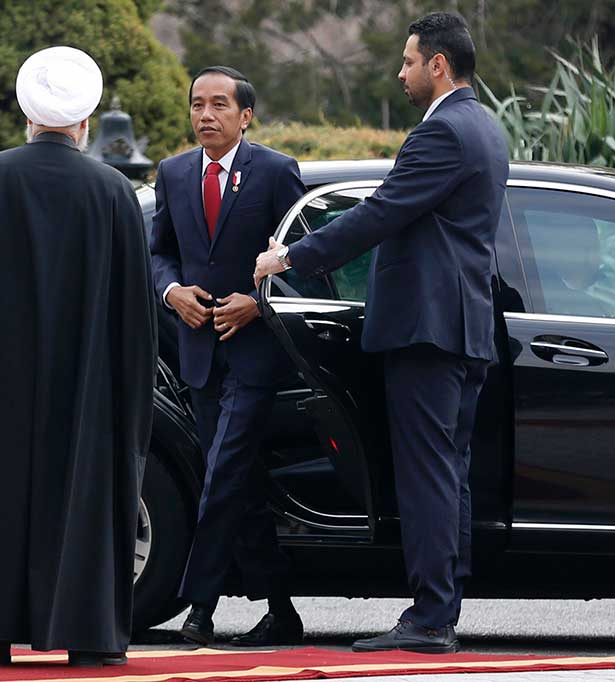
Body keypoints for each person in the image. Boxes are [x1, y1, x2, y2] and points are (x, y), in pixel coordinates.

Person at [254, 12, 509, 654]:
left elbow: (380, 212)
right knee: (447, 471)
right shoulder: (485, 126)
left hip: (427, 330)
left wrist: (290, 257)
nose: (401, 73)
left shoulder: (442, 132)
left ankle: (430, 617)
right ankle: (441, 607)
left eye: (408, 61)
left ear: (438, 65)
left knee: (427, 474)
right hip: (460, 326)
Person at [0, 46, 156, 667]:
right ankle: (89, 636)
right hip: (88, 386)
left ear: (28, 117)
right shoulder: (113, 190)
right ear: (85, 124)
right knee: (84, 500)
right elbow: (134, 313)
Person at [150, 66, 307, 646]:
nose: (205, 115)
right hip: (199, 357)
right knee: (239, 480)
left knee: (222, 472)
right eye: (197, 104)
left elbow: (299, 257)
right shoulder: (172, 173)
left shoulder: (275, 171)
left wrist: (258, 303)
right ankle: (281, 610)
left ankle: (200, 604)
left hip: (255, 357)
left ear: (245, 116)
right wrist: (172, 291)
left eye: (219, 105)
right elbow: (158, 253)